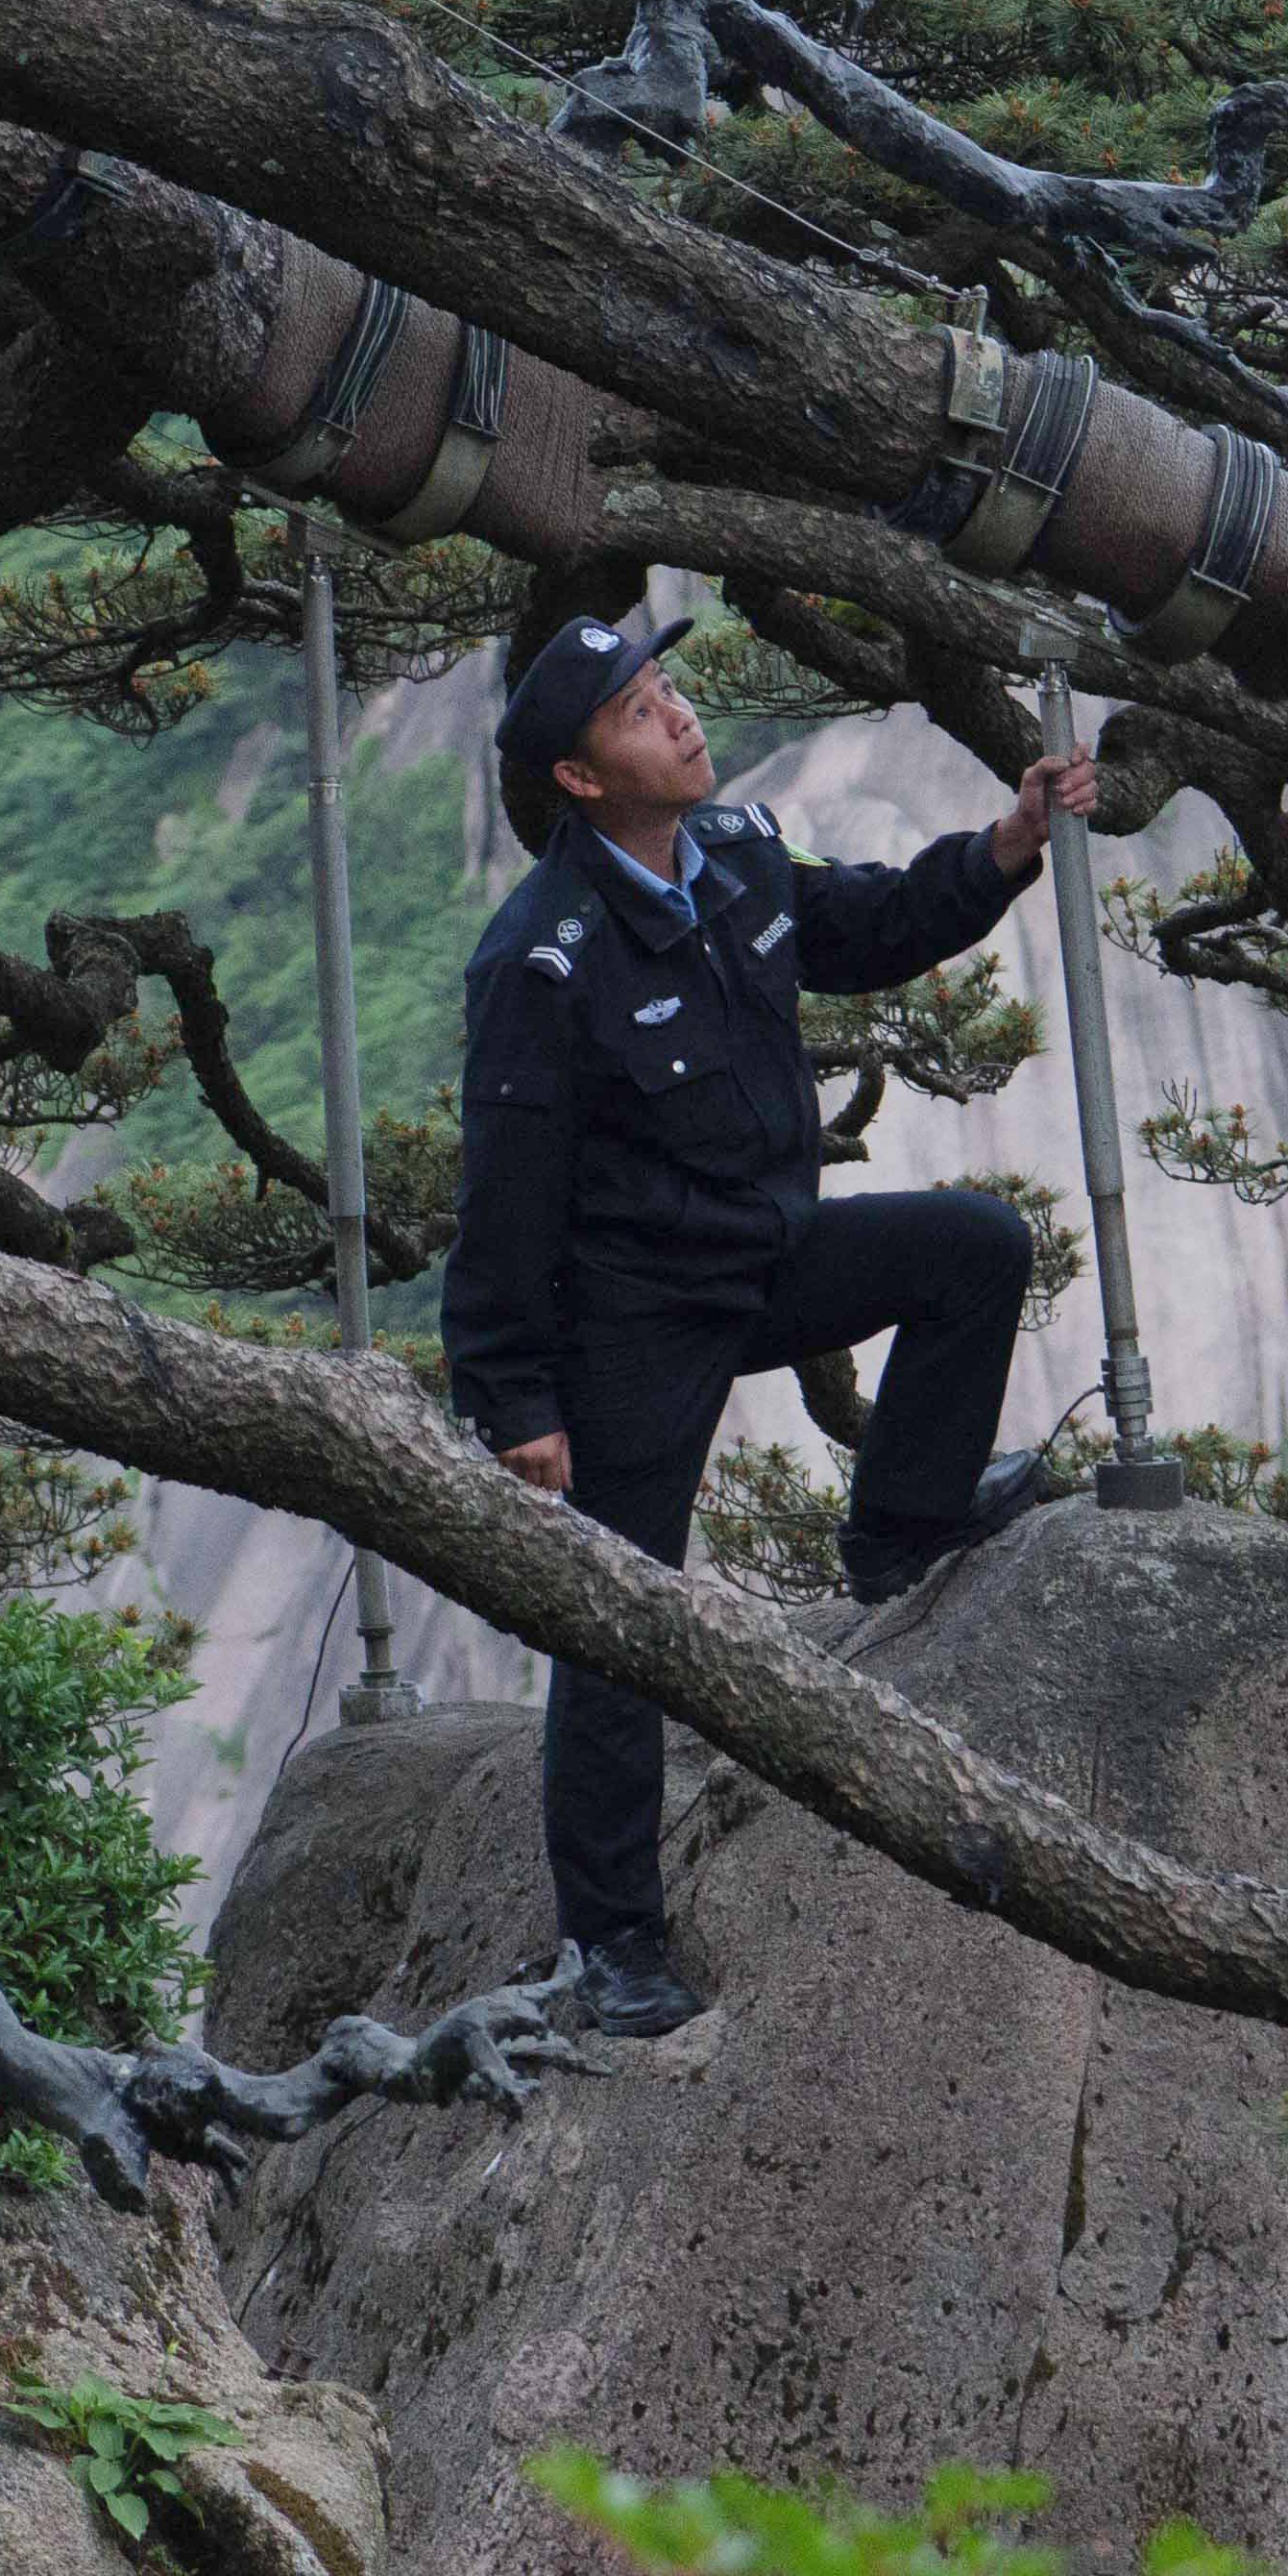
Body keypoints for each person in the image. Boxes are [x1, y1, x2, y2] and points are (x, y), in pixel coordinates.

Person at [444, 610, 1099, 2036]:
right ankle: (613, 1945)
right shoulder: (539, 960)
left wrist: (1004, 843)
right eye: (636, 711)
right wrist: (516, 1401)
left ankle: (903, 1522)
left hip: (764, 1248)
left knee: (974, 1248)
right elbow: (502, 1198)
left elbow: (860, 926)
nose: (676, 716)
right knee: (621, 1625)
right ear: (577, 778)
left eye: (666, 687)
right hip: (633, 1316)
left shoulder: (732, 853)